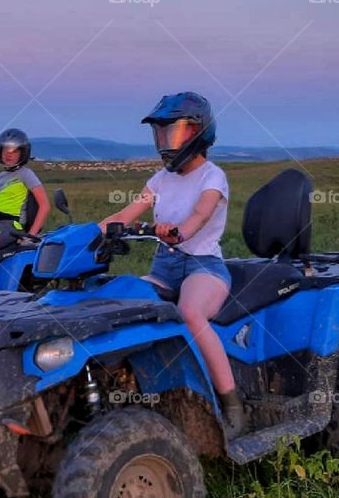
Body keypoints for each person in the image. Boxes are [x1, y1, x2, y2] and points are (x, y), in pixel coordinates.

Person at [98, 93, 243, 439]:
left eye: (174, 133)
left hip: (203, 266)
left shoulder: (213, 177)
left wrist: (179, 232)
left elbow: (199, 216)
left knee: (190, 312)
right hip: (164, 266)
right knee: (124, 302)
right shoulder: (160, 180)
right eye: (161, 135)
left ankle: (231, 403)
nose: (166, 144)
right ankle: (125, 391)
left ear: (198, 133)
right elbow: (125, 214)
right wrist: (91, 233)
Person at [0, 128, 50, 293]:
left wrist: (31, 235)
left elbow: (44, 205)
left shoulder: (26, 174)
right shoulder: (2, 176)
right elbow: (2, 206)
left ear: (23, 153)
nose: (9, 154)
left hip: (12, 225)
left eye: (14, 151)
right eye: (6, 150)